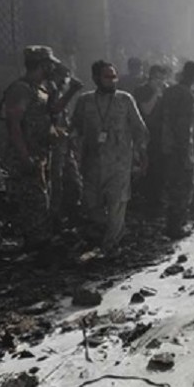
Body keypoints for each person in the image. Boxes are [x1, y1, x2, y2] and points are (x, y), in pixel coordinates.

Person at [70, 60, 148, 255]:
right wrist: (73, 148)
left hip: (120, 163)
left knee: (117, 204)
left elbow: (139, 129)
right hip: (92, 163)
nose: (113, 80)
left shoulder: (125, 99)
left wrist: (142, 154)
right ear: (96, 78)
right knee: (91, 204)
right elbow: (75, 127)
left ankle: (111, 245)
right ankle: (104, 233)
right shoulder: (85, 101)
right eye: (108, 77)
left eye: (115, 76)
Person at [2, 46, 70, 259]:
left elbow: (47, 116)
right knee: (33, 200)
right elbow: (14, 125)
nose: (52, 68)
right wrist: (25, 157)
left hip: (40, 154)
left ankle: (39, 244)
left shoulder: (41, 89)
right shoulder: (21, 89)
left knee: (41, 198)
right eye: (49, 65)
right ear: (42, 65)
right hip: (25, 156)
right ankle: (36, 246)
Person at [160, 61, 194, 238]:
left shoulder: (169, 91)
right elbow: (184, 127)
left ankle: (171, 224)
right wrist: (186, 152)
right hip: (181, 148)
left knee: (172, 187)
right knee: (185, 187)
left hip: (167, 145)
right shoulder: (187, 95)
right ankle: (176, 227)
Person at [47, 62, 84, 221]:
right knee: (55, 182)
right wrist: (72, 91)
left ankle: (70, 213)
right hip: (53, 146)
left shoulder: (58, 92)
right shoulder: (49, 91)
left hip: (64, 146)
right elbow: (54, 111)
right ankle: (53, 217)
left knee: (73, 182)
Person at [133, 65, 168, 211]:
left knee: (160, 168)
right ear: (151, 77)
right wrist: (156, 94)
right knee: (146, 167)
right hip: (145, 133)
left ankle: (157, 199)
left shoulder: (165, 90)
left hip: (161, 135)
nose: (160, 82)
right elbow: (146, 110)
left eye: (163, 79)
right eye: (157, 78)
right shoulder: (142, 90)